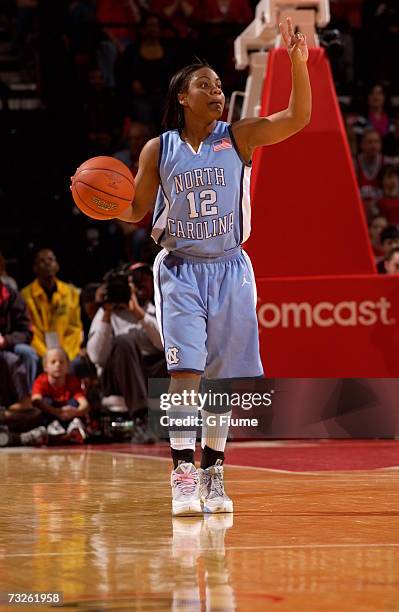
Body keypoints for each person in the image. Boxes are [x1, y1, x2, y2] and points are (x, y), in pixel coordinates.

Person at [114, 17, 311, 515]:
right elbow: (135, 211)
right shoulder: (160, 149)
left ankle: (213, 472)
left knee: (224, 380)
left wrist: (296, 62)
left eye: (220, 86)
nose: (217, 91)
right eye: (206, 85)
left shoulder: (238, 137)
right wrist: (102, 203)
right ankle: (182, 471)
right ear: (183, 96)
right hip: (180, 269)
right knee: (185, 374)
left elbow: (297, 117)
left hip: (230, 269)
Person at [87, 263, 166, 427]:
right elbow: (96, 357)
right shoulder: (107, 313)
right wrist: (107, 313)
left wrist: (140, 315)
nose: (142, 284)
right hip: (118, 377)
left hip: (148, 373)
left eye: (146, 279)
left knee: (180, 353)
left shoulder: (157, 310)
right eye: (136, 280)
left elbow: (165, 346)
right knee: (125, 341)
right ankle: (141, 416)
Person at [21, 249, 83, 362]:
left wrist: (64, 355)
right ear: (35, 268)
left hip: (66, 352)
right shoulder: (25, 295)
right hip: (39, 353)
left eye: (51, 259)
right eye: (42, 261)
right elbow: (30, 330)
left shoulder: (71, 293)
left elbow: (74, 328)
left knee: (77, 364)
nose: (47, 263)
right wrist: (47, 356)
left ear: (57, 266)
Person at [32, 347, 89, 443]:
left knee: (74, 402)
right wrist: (55, 411)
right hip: (51, 414)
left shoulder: (72, 381)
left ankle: (75, 427)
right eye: (53, 362)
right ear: (45, 367)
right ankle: (52, 427)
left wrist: (75, 412)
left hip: (68, 414)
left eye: (61, 362)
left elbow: (85, 404)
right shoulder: (41, 381)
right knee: (44, 402)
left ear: (67, 367)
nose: (58, 365)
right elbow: (35, 400)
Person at [0, 351, 47, 448]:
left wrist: (3, 414)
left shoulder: (12, 362)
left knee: (35, 413)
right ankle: (19, 438)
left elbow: (25, 403)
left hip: (8, 415)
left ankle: (7, 436)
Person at [0, 278, 39, 388]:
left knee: (28, 354)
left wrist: (6, 340)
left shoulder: (13, 296)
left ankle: (26, 399)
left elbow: (26, 331)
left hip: (8, 344)